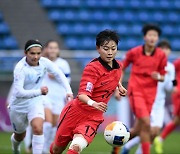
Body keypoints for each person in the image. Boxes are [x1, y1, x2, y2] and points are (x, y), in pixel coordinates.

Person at [50, 29, 127, 154]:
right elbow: (82, 95)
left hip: (94, 118)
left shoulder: (118, 66)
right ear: (98, 48)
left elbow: (114, 76)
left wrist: (119, 86)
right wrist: (94, 103)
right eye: (106, 48)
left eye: (113, 48)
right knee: (56, 149)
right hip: (75, 113)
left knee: (76, 147)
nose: (110, 52)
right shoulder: (92, 68)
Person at [8, 40, 73, 154]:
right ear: (25, 53)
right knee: (20, 135)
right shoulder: (20, 69)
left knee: (38, 128)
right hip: (19, 105)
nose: (36, 56)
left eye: (38, 53)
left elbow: (59, 73)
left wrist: (68, 91)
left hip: (36, 102)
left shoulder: (44, 62)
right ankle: (15, 148)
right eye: (32, 53)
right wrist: (39, 92)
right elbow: (18, 93)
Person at [121, 40, 176, 154]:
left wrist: (175, 84)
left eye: (167, 49)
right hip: (145, 101)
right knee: (146, 129)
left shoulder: (171, 67)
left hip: (159, 104)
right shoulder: (151, 61)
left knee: (151, 132)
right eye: (162, 49)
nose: (165, 51)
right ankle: (123, 145)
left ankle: (125, 145)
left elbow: (171, 85)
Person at [42, 40, 71, 153]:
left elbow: (68, 80)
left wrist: (57, 76)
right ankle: (42, 148)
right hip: (45, 97)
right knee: (48, 123)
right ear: (46, 49)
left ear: (58, 50)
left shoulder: (63, 64)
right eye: (50, 47)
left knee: (55, 126)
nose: (53, 50)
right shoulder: (42, 62)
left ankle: (49, 147)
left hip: (58, 98)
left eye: (55, 47)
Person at [154, 52, 180, 154]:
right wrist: (175, 87)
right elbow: (172, 74)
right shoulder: (177, 63)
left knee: (177, 121)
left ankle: (160, 139)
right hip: (178, 93)